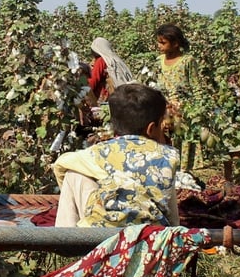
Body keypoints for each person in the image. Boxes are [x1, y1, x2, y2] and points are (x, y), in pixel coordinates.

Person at [53, 83, 179, 228]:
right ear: (151, 128)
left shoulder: (91, 156)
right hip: (150, 238)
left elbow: (62, 164)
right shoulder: (166, 156)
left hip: (97, 238)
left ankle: (70, 237)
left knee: (75, 172)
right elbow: (173, 221)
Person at [155, 23, 201, 172]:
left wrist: (197, 110)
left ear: (175, 43)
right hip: (163, 109)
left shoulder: (187, 61)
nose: (159, 46)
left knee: (181, 141)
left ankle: (183, 174)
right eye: (158, 42)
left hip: (182, 110)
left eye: (163, 43)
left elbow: (196, 86)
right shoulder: (159, 61)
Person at [87, 37, 135, 102]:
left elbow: (92, 81)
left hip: (107, 98)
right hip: (123, 95)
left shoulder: (101, 61)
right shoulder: (116, 59)